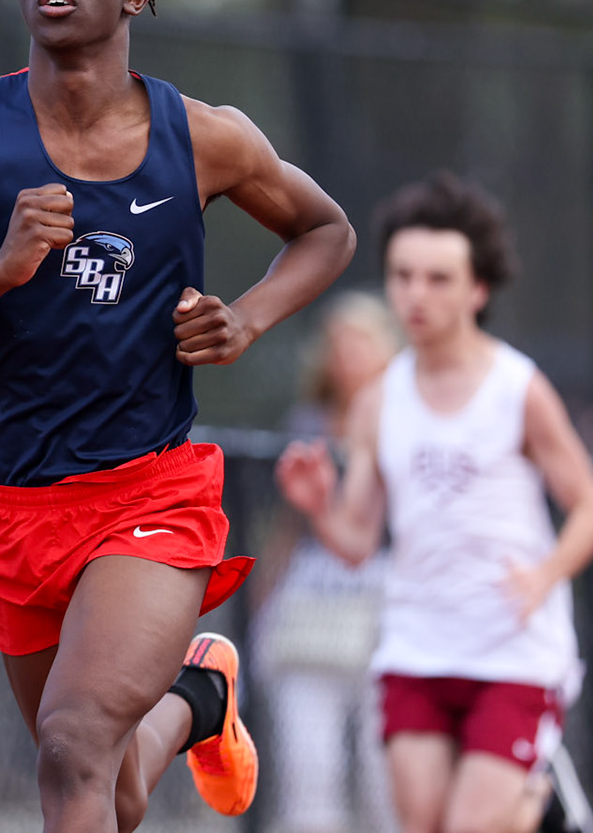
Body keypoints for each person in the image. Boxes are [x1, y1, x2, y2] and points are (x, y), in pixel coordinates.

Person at [0, 0, 356, 832]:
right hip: (14, 501)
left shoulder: (205, 137)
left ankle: (184, 687)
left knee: (73, 740)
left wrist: (248, 319)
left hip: (148, 492)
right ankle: (201, 695)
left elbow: (327, 229)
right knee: (102, 784)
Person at [278, 173, 593, 833]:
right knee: (423, 823)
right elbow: (355, 542)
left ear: (478, 288)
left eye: (438, 278)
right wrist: (319, 506)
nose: (415, 295)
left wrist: (544, 577)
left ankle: (541, 805)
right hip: (417, 646)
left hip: (512, 651)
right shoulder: (380, 400)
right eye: (403, 276)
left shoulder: (517, 389)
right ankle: (537, 808)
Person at [256, 292, 402, 833]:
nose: (349, 357)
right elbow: (287, 531)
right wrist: (262, 602)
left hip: (390, 605)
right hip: (313, 605)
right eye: (339, 346)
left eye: (362, 343)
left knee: (387, 766)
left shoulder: (411, 418)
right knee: (307, 765)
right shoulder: (306, 424)